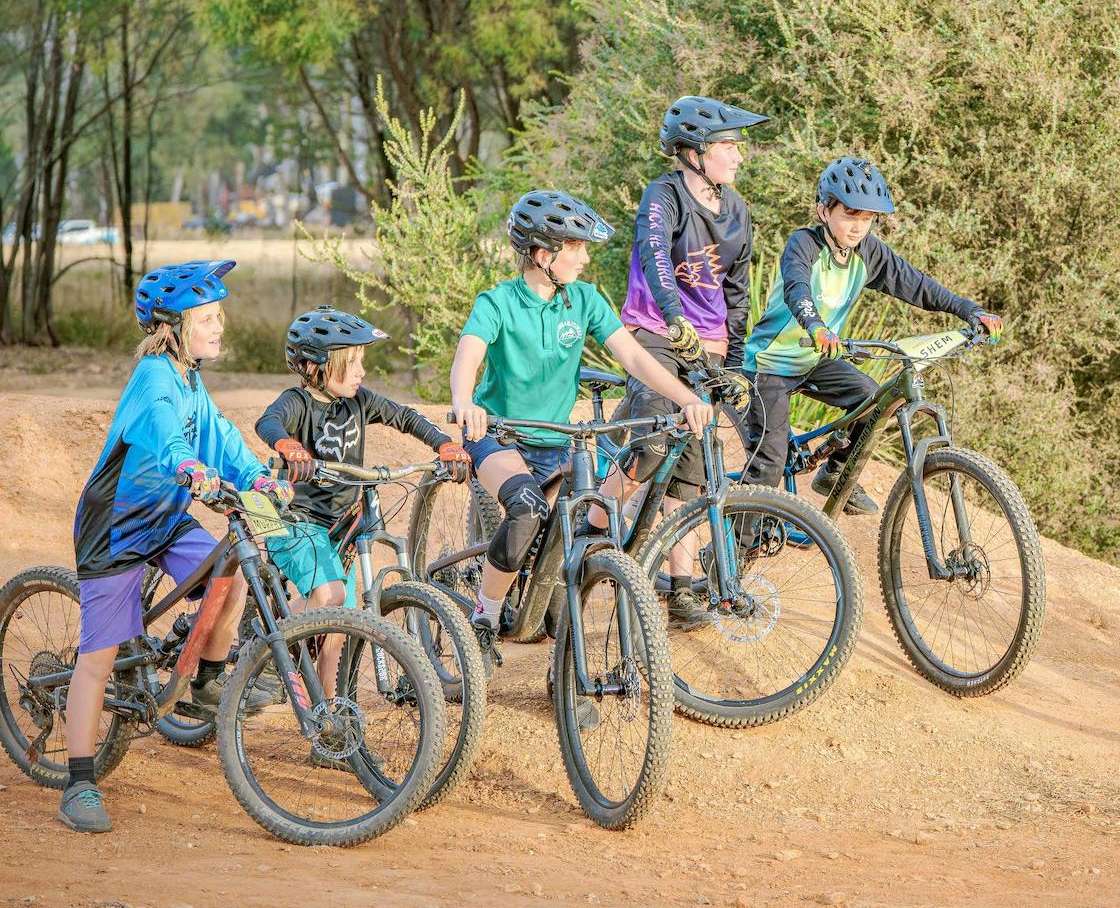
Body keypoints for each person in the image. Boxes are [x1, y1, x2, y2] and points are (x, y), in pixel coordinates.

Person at [59, 260, 289, 833]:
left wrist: (257, 478)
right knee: (99, 658)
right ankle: (79, 780)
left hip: (165, 517)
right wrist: (191, 470)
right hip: (116, 527)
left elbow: (220, 437)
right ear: (175, 326)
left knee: (230, 570)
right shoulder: (155, 380)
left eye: (219, 315)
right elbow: (165, 437)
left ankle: (207, 682)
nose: (220, 325)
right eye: (209, 317)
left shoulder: (190, 378)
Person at [447, 190, 715, 668]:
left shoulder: (584, 300)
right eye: (578, 247)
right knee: (527, 508)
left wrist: (687, 397)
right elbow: (469, 351)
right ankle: (483, 618)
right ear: (544, 254)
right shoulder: (498, 301)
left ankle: (566, 680)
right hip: (499, 436)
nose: (586, 258)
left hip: (555, 439)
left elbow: (633, 356)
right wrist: (465, 402)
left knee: (576, 535)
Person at [741, 158, 1002, 515]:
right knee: (769, 461)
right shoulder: (803, 244)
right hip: (769, 365)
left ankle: (834, 473)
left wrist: (969, 310)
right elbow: (797, 286)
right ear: (824, 210)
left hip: (815, 362)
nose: (858, 227)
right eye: (850, 215)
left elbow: (918, 286)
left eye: (867, 219)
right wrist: (815, 324)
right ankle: (736, 552)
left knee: (870, 398)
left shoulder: (868, 253)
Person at [600, 96, 762, 627]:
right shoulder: (662, 196)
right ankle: (586, 529)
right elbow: (655, 260)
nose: (738, 155)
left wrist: (733, 362)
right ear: (695, 152)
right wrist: (675, 321)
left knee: (696, 463)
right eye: (728, 145)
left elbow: (736, 292)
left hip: (709, 345)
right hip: (656, 333)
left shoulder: (737, 211)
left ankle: (682, 586)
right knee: (650, 444)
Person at [255, 305, 470, 696]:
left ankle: (328, 713)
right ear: (315, 366)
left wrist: (444, 444)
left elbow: (403, 416)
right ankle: (267, 639)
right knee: (333, 598)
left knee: (343, 621)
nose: (361, 372)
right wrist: (287, 445)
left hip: (341, 526)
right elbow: (267, 422)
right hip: (298, 520)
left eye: (361, 362)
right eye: (351, 363)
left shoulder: (358, 401)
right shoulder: (297, 402)